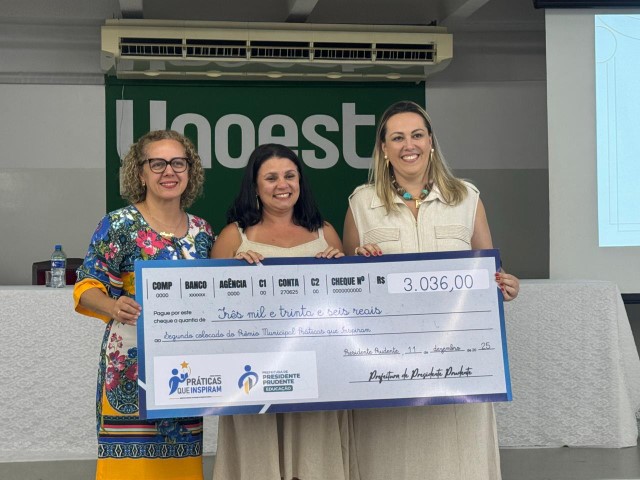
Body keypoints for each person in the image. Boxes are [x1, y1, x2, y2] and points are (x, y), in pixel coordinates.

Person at [343, 100, 519, 480]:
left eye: (417, 135)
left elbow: (488, 270)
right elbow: (349, 288)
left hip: (458, 366)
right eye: (398, 138)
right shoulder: (361, 203)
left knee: (459, 463)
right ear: (384, 149)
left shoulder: (467, 198)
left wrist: (504, 283)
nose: (409, 145)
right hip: (389, 370)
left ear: (431, 142)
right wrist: (359, 264)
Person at [73, 130, 214, 480]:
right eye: (158, 163)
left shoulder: (203, 231)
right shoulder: (117, 224)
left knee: (181, 465)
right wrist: (112, 306)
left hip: (184, 370)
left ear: (190, 170)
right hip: (129, 370)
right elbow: (86, 286)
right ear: (140, 173)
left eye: (178, 163)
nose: (169, 171)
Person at [210, 143, 346, 480]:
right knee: (258, 463)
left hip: (317, 374)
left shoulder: (325, 233)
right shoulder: (233, 237)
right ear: (255, 187)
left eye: (289, 176)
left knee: (313, 462)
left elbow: (345, 307)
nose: (282, 185)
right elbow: (213, 312)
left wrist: (341, 269)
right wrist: (233, 274)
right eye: (271, 178)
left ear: (300, 181)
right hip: (253, 376)